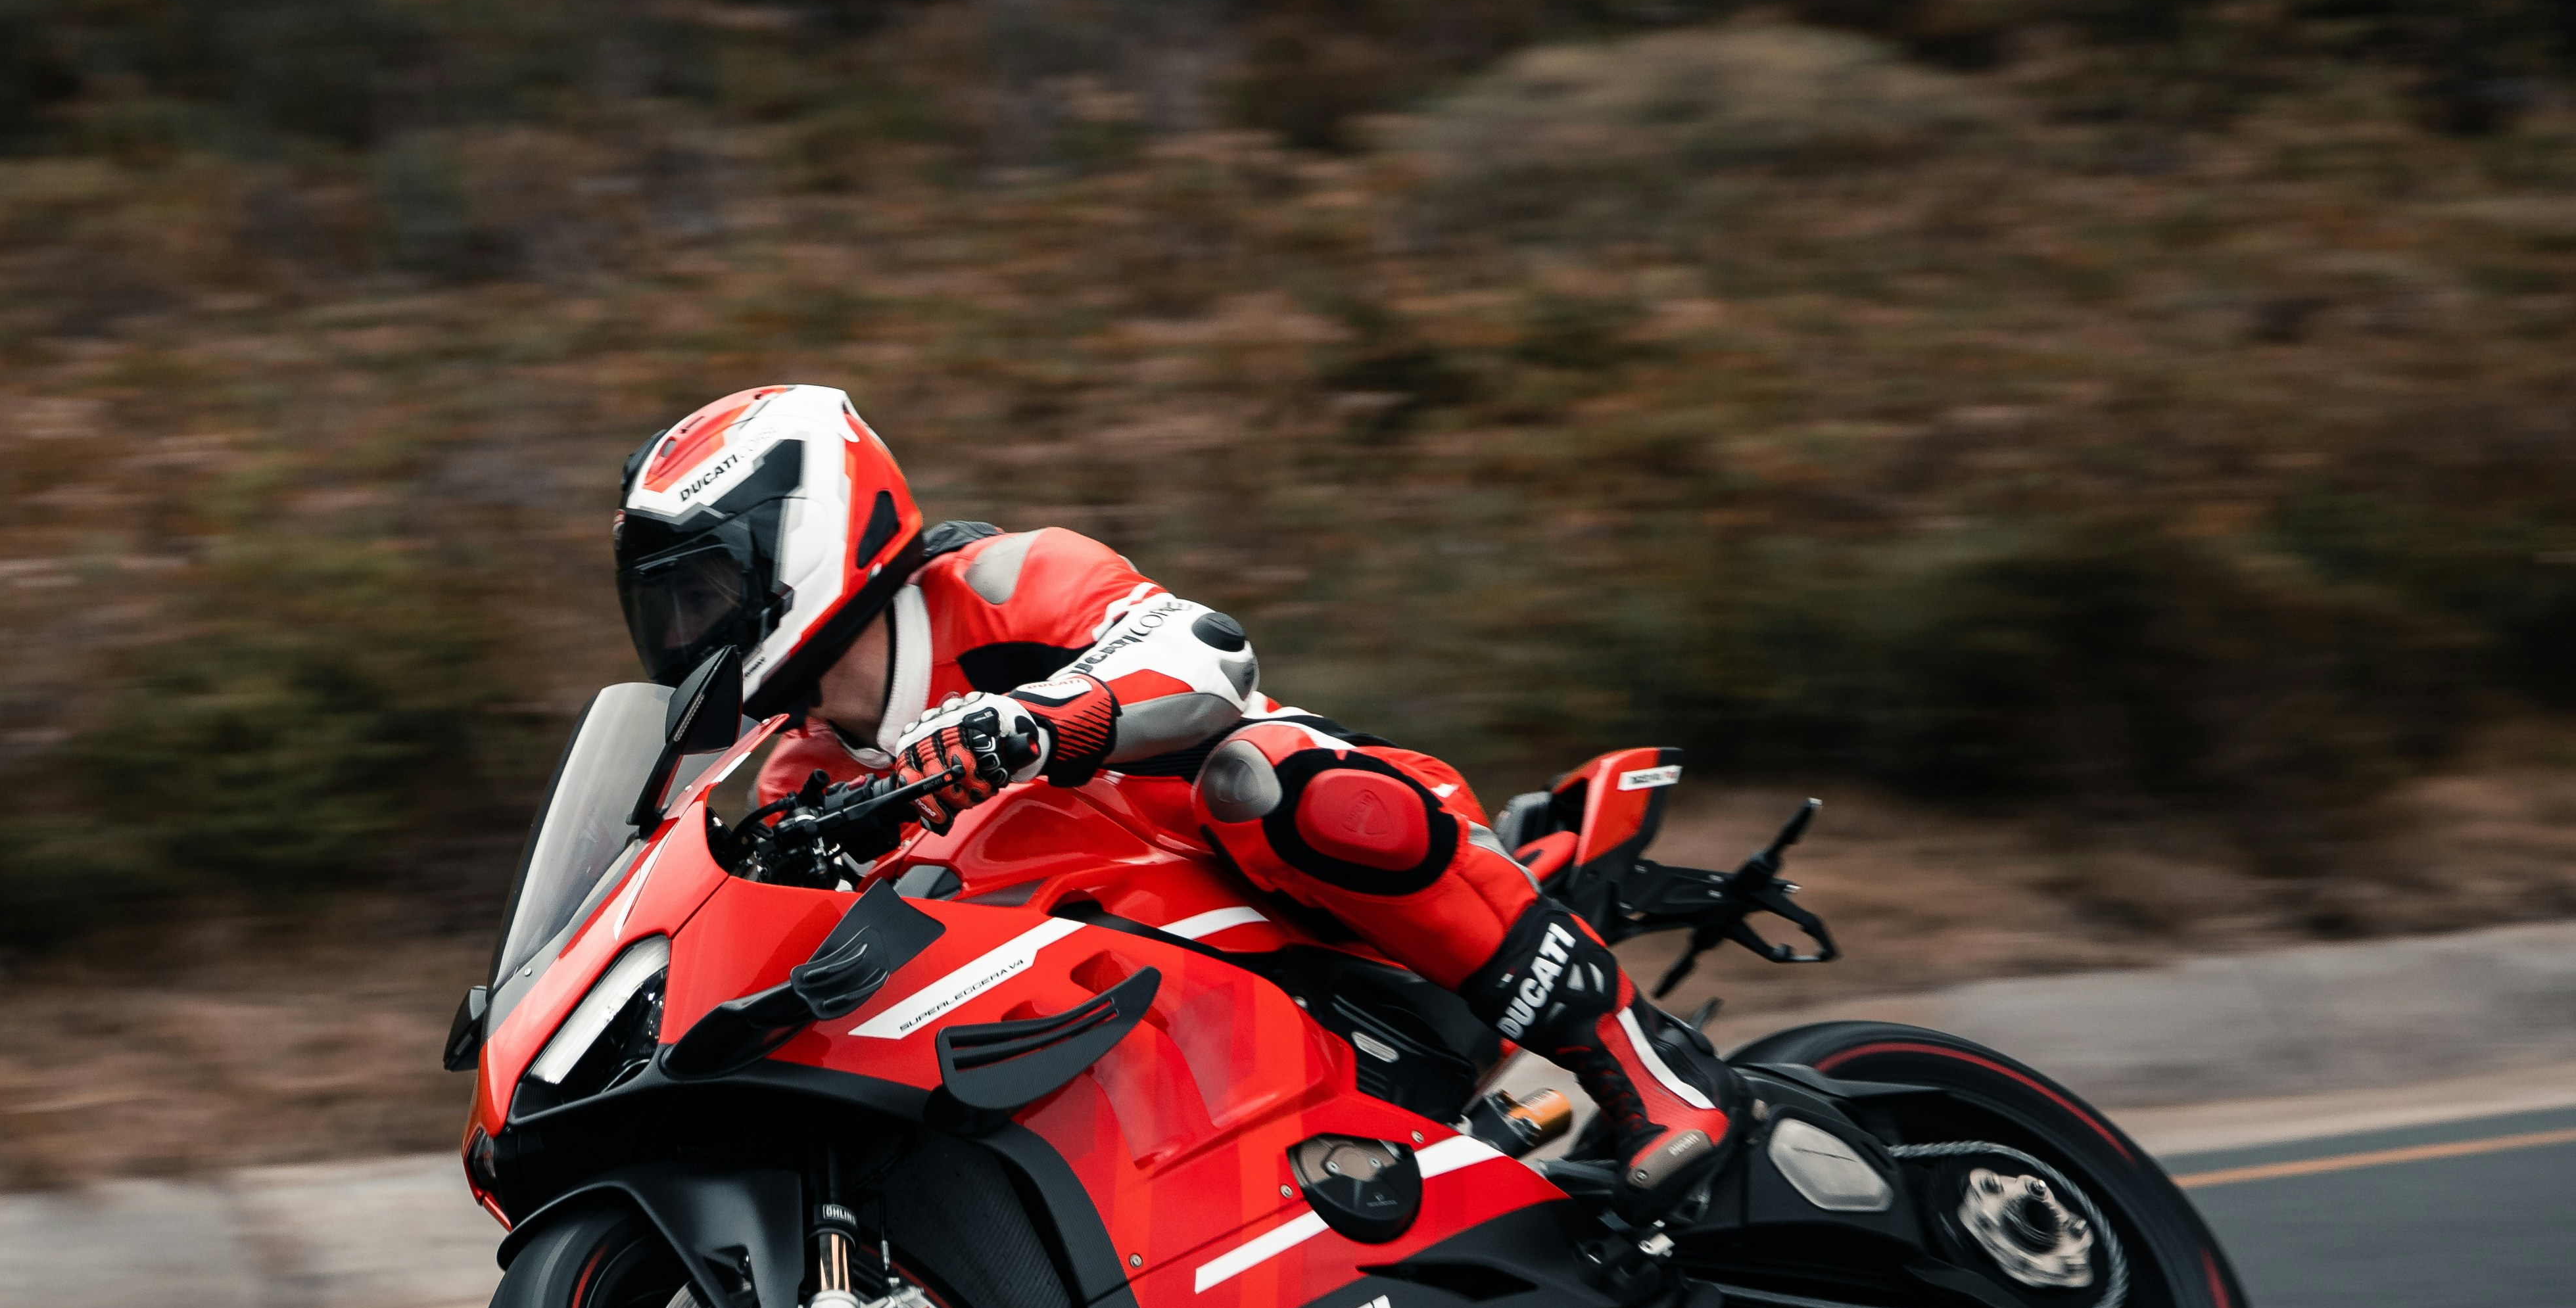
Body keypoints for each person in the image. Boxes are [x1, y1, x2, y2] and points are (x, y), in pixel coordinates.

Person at [609, 382, 1740, 1214]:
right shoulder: (795, 776)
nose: (685, 635)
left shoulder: (1002, 585)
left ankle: (1644, 1065)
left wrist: (1040, 722)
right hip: (1113, 1008)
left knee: (1266, 777)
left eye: (703, 593)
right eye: (665, 611)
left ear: (801, 539)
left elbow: (1205, 655)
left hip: (1281, 883)